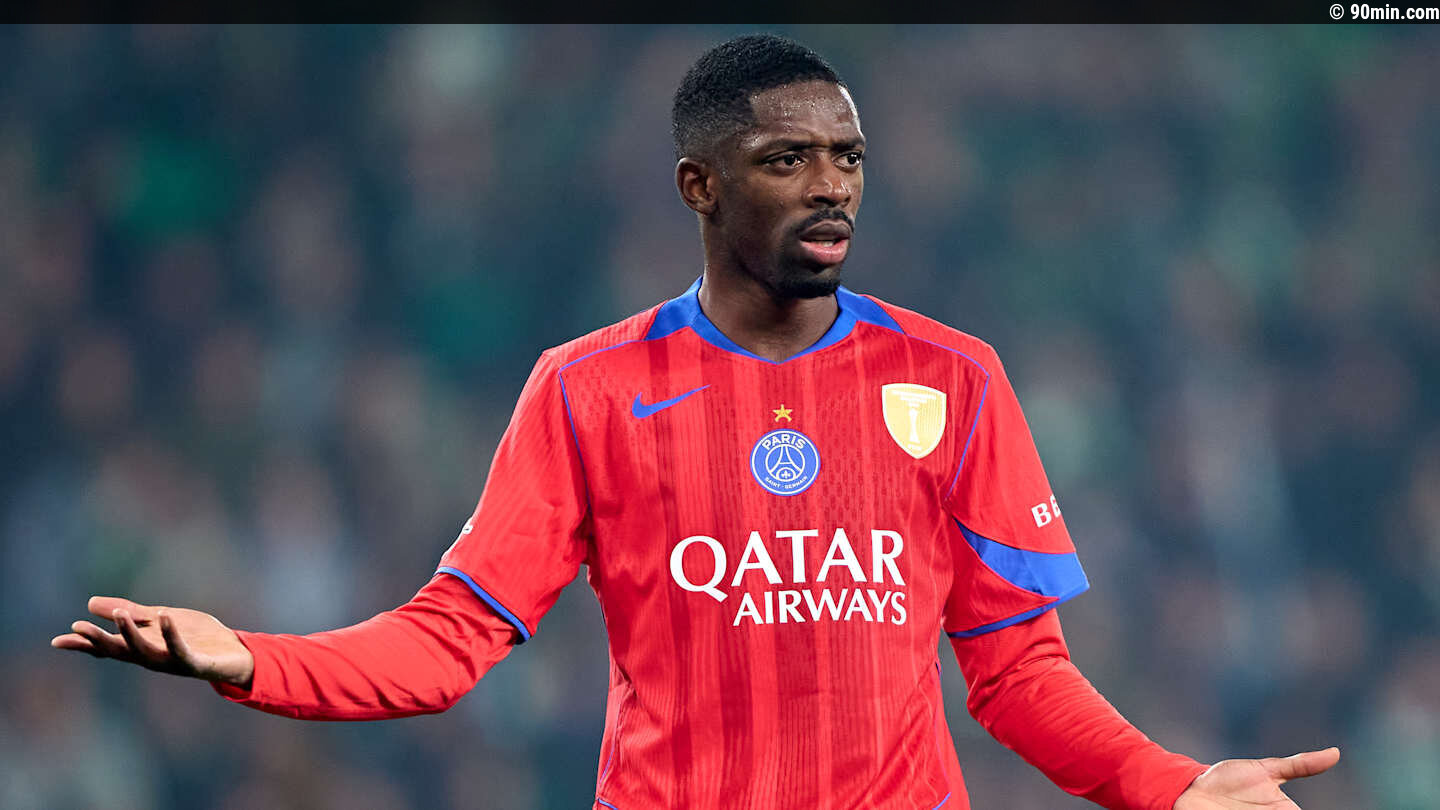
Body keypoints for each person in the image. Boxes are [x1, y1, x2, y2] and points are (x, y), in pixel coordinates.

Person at [53, 34, 1338, 810]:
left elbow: (1016, 675)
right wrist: (250, 660)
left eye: (848, 158)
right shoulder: (588, 389)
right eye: (788, 160)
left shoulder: (952, 378)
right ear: (699, 185)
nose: (831, 187)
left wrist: (1174, 784)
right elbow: (448, 645)